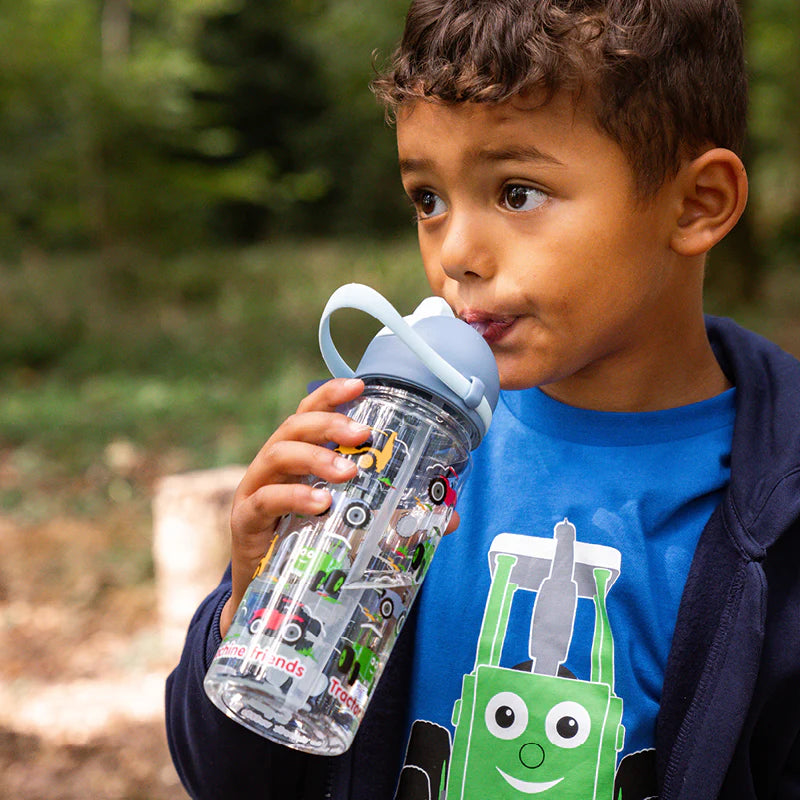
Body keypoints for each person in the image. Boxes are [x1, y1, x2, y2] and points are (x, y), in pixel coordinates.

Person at [165, 1, 800, 798]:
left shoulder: (780, 501)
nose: (456, 253)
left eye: (517, 193)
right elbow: (235, 779)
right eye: (428, 199)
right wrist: (251, 609)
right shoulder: (386, 456)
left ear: (697, 202)